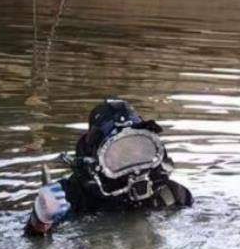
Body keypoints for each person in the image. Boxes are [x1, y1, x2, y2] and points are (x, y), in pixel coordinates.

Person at [24, 99, 193, 235]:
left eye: (140, 147)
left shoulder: (173, 194)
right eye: (119, 151)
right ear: (97, 157)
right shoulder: (70, 196)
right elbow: (36, 248)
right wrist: (40, 221)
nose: (132, 158)